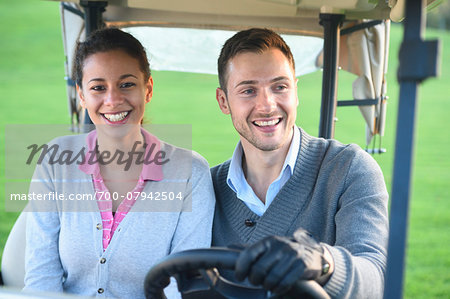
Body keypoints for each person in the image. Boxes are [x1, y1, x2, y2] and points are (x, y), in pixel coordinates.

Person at [23, 28, 215, 298]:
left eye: (126, 84)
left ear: (147, 89)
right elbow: (41, 275)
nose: (112, 100)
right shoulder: (54, 161)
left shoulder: (190, 173)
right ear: (82, 96)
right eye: (98, 88)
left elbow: (179, 286)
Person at [211, 28, 389, 298]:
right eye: (248, 91)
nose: (267, 105)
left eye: (279, 87)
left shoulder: (350, 169)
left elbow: (376, 278)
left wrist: (323, 262)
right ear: (224, 102)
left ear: (296, 91)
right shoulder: (205, 186)